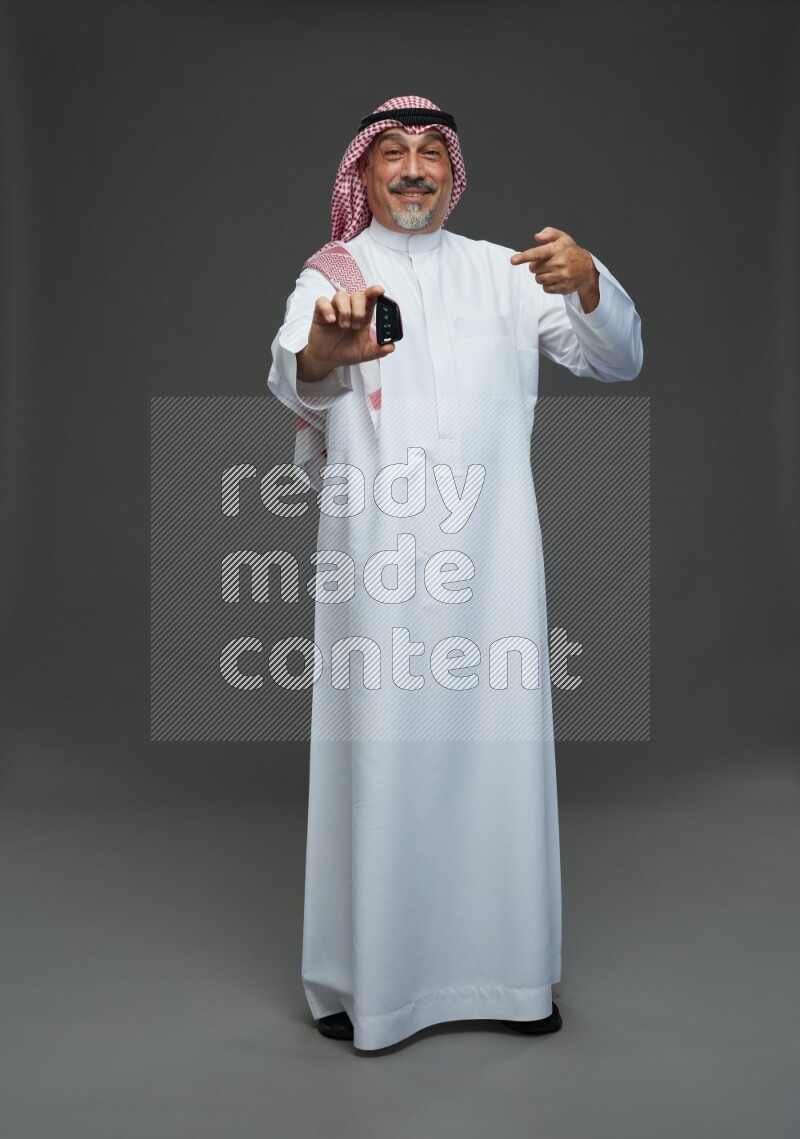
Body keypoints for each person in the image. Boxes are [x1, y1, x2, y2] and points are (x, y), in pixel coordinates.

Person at [267, 95, 642, 1051]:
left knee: (496, 758)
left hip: (494, 565)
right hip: (377, 565)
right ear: (363, 172)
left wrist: (592, 280)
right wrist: (328, 350)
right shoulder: (334, 276)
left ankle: (512, 978)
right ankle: (378, 989)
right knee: (384, 754)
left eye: (431, 153)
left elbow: (614, 357)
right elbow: (293, 369)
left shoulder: (506, 274)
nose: (412, 169)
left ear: (453, 171)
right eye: (391, 152)